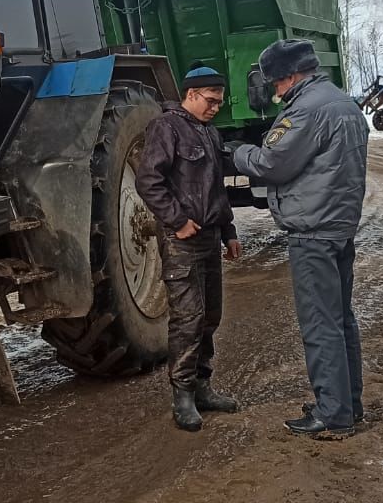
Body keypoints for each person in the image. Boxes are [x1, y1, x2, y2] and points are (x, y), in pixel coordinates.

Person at [226, 39, 369, 440]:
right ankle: (347, 404)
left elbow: (272, 163)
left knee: (320, 325)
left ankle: (333, 414)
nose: (274, 92)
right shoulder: (343, 103)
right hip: (340, 226)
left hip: (312, 231)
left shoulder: (306, 110)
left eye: (275, 83)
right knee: (341, 321)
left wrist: (239, 152)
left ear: (289, 76)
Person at [135, 65, 244, 432]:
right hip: (181, 240)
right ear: (191, 94)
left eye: (219, 102)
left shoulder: (209, 134)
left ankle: (202, 387)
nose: (216, 108)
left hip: (211, 237)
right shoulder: (166, 127)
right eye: (211, 101)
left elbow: (217, 191)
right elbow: (149, 180)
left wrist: (228, 231)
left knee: (210, 315)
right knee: (187, 318)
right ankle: (182, 393)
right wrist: (177, 220)